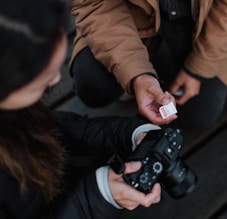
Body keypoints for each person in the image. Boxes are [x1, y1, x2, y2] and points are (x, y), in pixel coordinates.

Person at [0, 0, 162, 218]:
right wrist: (99, 196)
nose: (57, 78)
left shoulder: (17, 109)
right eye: (41, 79)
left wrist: (129, 134)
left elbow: (63, 131)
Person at [70, 0, 227, 130]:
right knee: (94, 83)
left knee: (199, 116)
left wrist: (198, 68)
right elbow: (95, 5)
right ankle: (138, 68)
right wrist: (136, 74)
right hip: (130, 15)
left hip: (200, 20)